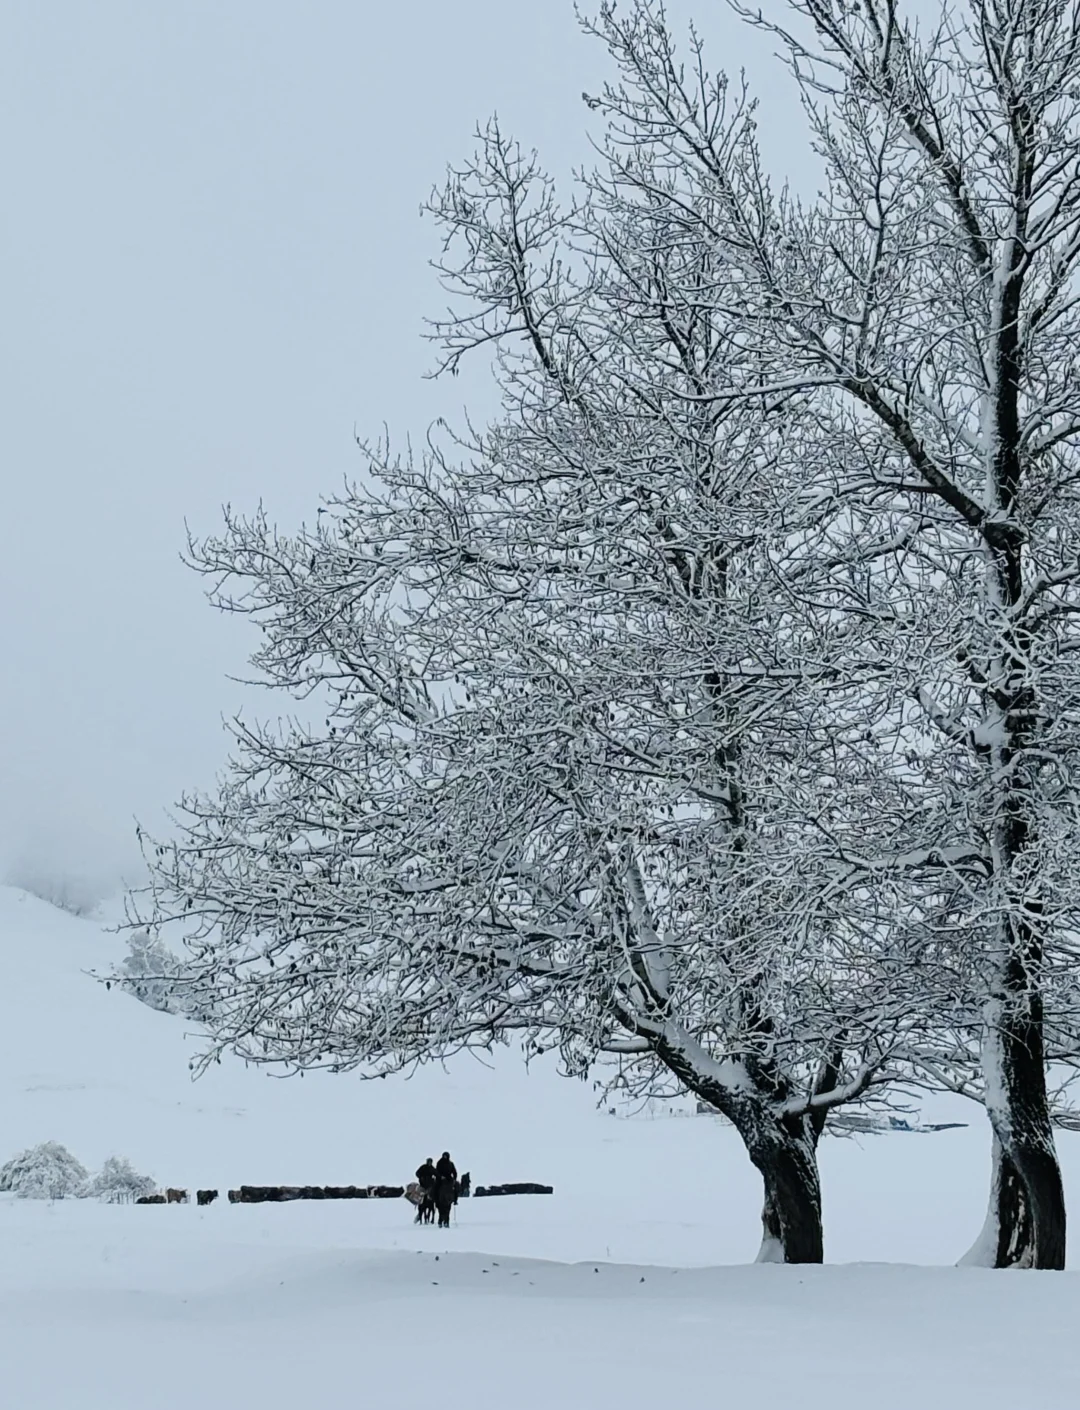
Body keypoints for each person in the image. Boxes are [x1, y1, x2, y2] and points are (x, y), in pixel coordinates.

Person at [433, 1151, 458, 1228]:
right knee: (435, 1188)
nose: (445, 1157)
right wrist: (440, 1176)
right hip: (441, 1179)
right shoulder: (439, 1163)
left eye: (446, 1156)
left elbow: (454, 1172)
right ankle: (435, 1198)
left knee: (456, 1187)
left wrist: (454, 1178)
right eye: (444, 1156)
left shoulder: (451, 1164)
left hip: (449, 1179)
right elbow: (436, 1171)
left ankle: (455, 1199)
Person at [415, 1157, 436, 1225]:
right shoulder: (423, 1167)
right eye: (429, 1162)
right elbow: (417, 1173)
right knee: (420, 1197)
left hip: (430, 1186)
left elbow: (436, 1174)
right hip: (423, 1185)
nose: (429, 1163)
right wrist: (421, 1177)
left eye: (430, 1162)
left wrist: (435, 1178)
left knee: (433, 1195)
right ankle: (419, 1206)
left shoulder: (432, 1168)